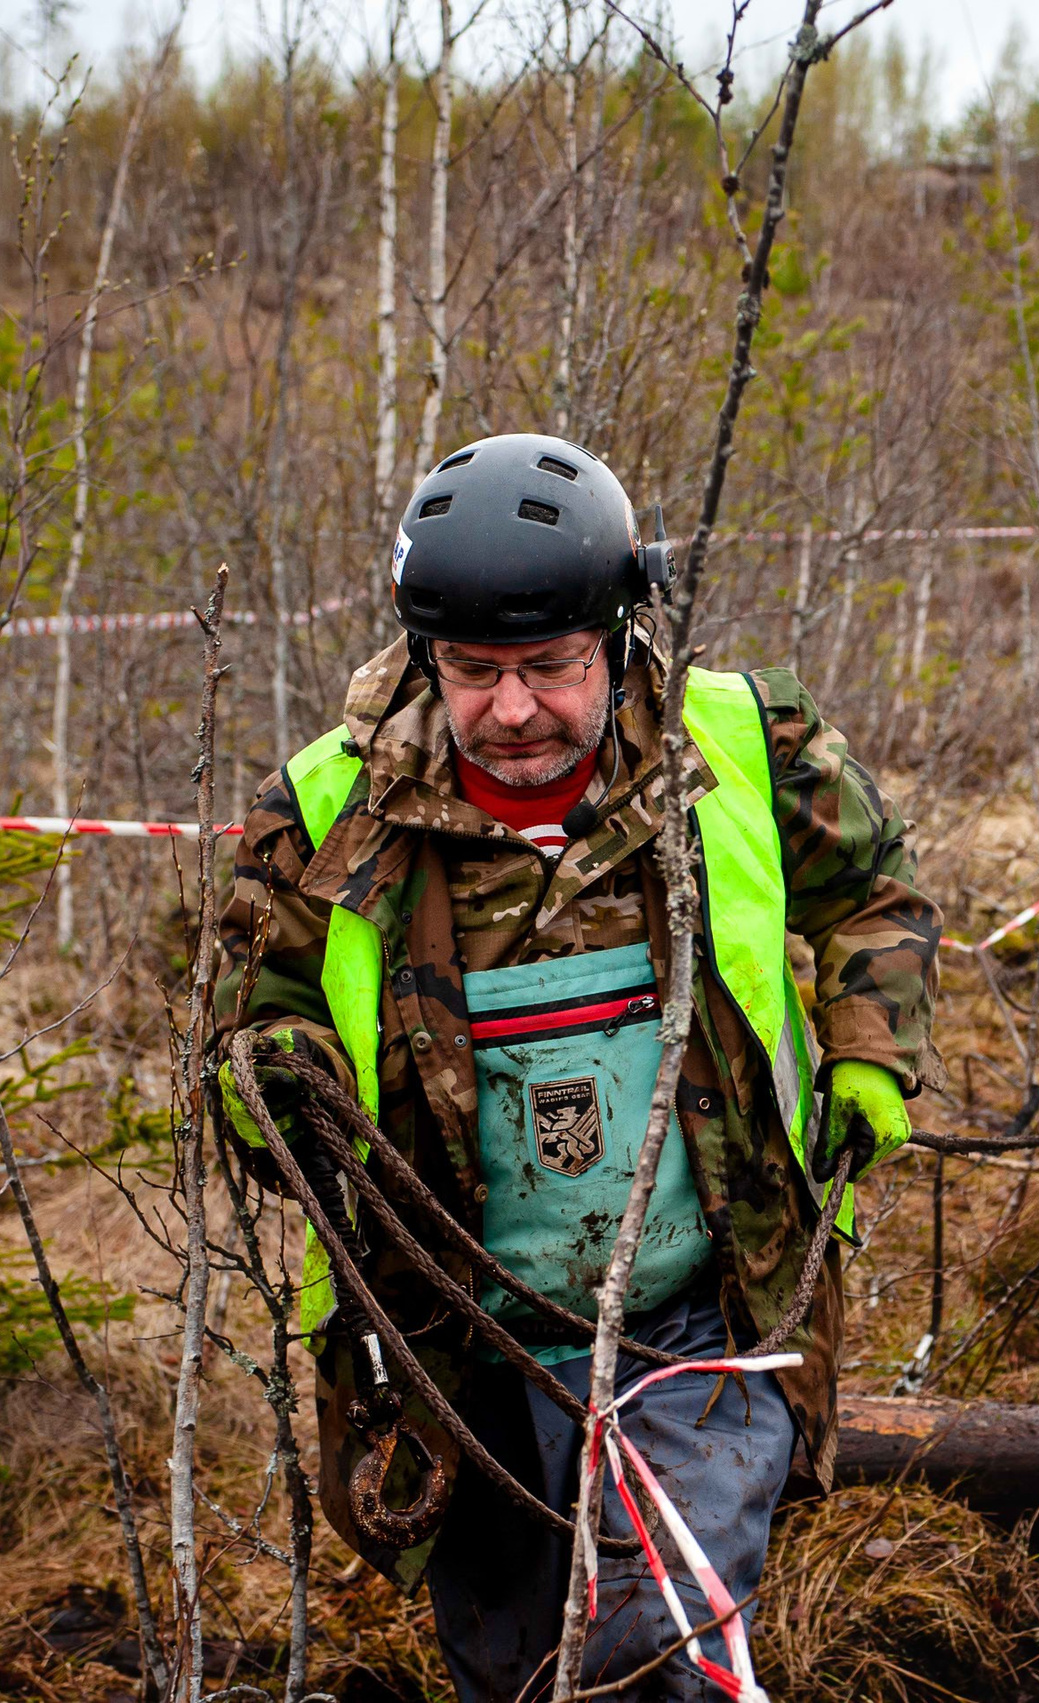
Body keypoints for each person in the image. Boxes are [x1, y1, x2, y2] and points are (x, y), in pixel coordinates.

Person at [212, 432, 941, 1701]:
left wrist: (871, 1054)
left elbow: (874, 893)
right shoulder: (326, 811)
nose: (511, 709)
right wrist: (279, 1076)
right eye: (473, 671)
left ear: (616, 636)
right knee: (517, 1667)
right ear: (425, 655)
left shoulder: (741, 743)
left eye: (550, 667)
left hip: (703, 1311)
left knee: (653, 1647)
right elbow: (246, 1019)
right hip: (454, 1347)